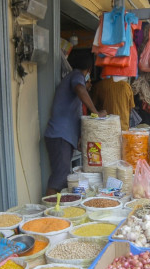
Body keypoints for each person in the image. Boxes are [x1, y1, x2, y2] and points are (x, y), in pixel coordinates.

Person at [43, 53, 106, 195]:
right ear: (89, 70)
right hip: (60, 136)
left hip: (63, 137)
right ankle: (50, 212)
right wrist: (95, 112)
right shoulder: (76, 76)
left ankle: (55, 210)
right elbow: (79, 88)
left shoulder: (71, 78)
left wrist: (79, 137)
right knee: (59, 178)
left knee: (62, 176)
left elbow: (75, 115)